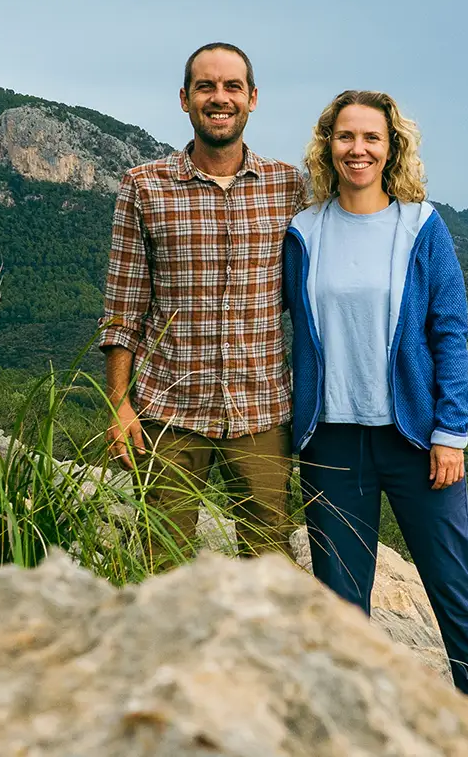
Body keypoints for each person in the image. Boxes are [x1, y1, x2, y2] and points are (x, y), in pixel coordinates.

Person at [284, 90, 468, 754]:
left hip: (415, 437)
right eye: (346, 136)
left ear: (391, 146)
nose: (358, 148)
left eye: (372, 137)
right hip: (331, 439)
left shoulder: (422, 226)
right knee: (340, 586)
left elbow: (449, 332)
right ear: (327, 145)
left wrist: (451, 429)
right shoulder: (304, 232)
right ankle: (353, 709)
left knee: (452, 572)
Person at [98, 42, 306, 569]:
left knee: (269, 567)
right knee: (159, 565)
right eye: (206, 87)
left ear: (253, 98)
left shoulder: (288, 187)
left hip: (261, 411)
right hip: (168, 413)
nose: (219, 98)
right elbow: (123, 307)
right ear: (185, 99)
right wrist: (119, 405)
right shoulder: (144, 186)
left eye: (232, 86)